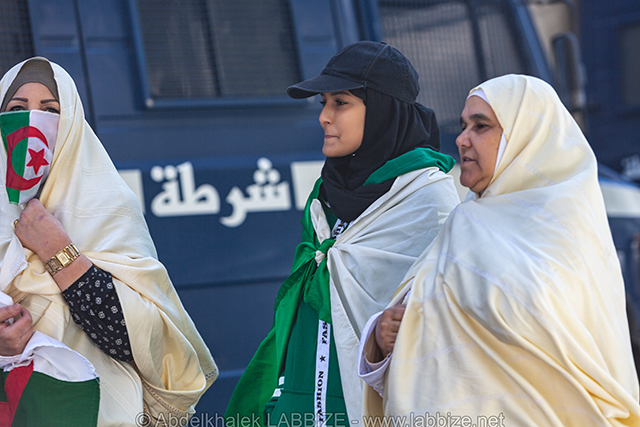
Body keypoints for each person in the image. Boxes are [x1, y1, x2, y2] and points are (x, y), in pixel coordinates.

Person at [358, 74, 640, 425]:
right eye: (464, 125)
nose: (462, 139)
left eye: (481, 126)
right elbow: (418, 323)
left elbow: (561, 347)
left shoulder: (570, 230)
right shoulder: (465, 224)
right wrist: (382, 336)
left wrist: (431, 323)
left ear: (527, 139)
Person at [225, 41, 461, 426]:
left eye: (341, 103)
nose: (324, 117)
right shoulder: (327, 197)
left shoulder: (427, 201)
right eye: (324, 103)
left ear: (383, 110)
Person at [0, 57, 218, 425]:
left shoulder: (108, 204)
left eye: (50, 110)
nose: (32, 121)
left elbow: (137, 339)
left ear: (71, 123)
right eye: (17, 109)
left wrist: (57, 251)